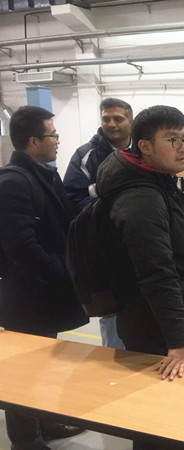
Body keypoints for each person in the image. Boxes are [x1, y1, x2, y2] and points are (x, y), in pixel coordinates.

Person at [0, 106, 88, 450]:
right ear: (33, 141)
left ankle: (47, 423)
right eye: (53, 135)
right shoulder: (13, 182)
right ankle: (25, 441)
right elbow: (23, 247)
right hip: (27, 299)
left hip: (45, 295)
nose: (57, 141)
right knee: (24, 372)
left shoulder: (44, 175)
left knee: (45, 364)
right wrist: (64, 273)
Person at [96, 104, 184, 378]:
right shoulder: (142, 200)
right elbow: (158, 274)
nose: (182, 148)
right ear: (145, 146)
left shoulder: (159, 183)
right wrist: (177, 342)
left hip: (169, 322)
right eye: (172, 140)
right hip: (156, 330)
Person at [64, 97, 133, 350]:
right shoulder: (86, 155)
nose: (111, 124)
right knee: (112, 313)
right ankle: (113, 362)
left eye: (118, 118)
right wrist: (108, 216)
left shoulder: (143, 151)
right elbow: (73, 198)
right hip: (106, 248)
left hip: (140, 241)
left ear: (130, 120)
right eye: (106, 118)